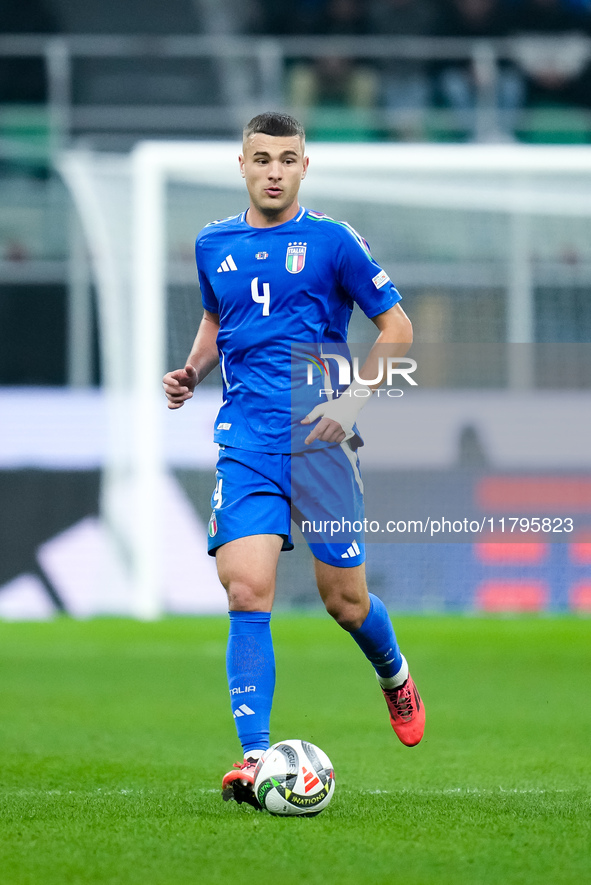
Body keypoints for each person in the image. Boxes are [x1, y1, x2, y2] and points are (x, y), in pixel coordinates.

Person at [162, 111, 424, 809]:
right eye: (261, 158)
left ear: (304, 167)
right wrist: (191, 370)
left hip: (319, 438)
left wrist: (354, 404)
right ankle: (255, 757)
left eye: (286, 158)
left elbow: (395, 326)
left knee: (345, 602)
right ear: (241, 166)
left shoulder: (333, 241)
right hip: (245, 439)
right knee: (246, 588)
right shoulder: (212, 242)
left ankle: (393, 673)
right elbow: (220, 317)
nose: (273, 170)